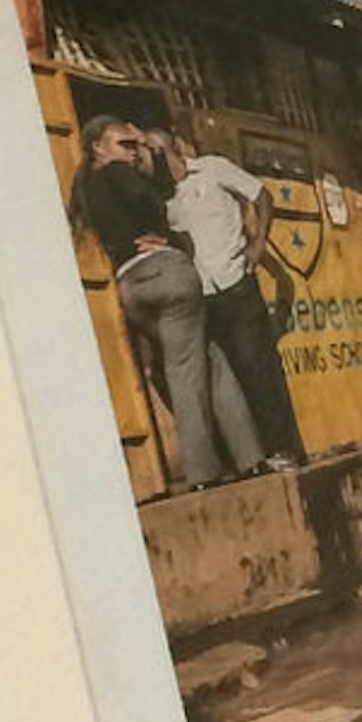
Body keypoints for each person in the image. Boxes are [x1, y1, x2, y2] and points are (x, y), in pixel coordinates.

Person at [72, 124, 262, 490]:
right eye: (124, 144)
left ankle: (250, 457)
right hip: (166, 273)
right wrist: (149, 157)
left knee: (210, 358)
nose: (132, 151)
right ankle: (204, 474)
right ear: (97, 147)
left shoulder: (86, 190)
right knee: (185, 370)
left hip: (131, 285)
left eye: (134, 145)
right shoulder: (116, 172)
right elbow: (156, 200)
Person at [151, 127, 299, 471]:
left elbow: (262, 196)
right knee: (225, 379)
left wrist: (259, 242)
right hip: (199, 294)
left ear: (171, 148)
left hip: (236, 282)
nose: (150, 157)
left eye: (154, 149)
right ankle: (249, 459)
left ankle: (284, 448)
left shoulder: (213, 169)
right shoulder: (160, 197)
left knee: (257, 368)